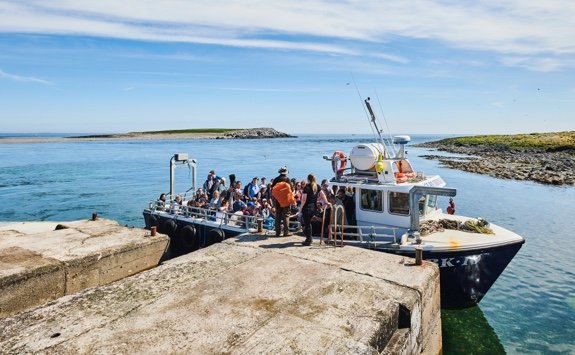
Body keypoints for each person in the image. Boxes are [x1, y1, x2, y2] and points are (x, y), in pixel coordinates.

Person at [299, 174, 328, 245]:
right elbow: (323, 194)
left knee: (307, 224)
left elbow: (303, 200)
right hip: (313, 208)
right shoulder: (317, 186)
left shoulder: (307, 187)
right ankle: (309, 238)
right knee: (308, 223)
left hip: (307, 208)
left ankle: (309, 240)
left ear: (308, 179)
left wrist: (300, 208)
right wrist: (326, 202)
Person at [271, 166, 292, 237]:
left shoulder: (276, 179)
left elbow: (272, 190)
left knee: (278, 215)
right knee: (286, 215)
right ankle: (286, 232)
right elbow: (291, 189)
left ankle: (277, 232)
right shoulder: (287, 179)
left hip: (278, 200)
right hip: (286, 200)